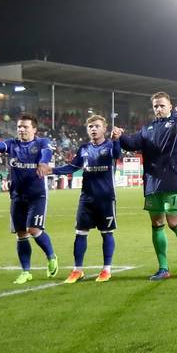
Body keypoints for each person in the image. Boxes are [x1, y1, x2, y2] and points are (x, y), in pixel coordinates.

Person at [114, 92, 177, 281]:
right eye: (156, 106)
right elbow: (131, 143)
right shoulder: (147, 129)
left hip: (172, 180)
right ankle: (163, 268)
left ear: (170, 106)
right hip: (152, 182)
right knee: (157, 223)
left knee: (173, 222)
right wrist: (120, 136)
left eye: (162, 105)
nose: (159, 109)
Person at [0, 116, 58, 284]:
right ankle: (26, 272)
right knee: (21, 234)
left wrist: (43, 163)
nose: (21, 129)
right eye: (19, 127)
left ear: (34, 129)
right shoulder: (12, 144)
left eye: (25, 127)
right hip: (17, 195)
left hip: (37, 195)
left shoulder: (42, 143)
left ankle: (51, 256)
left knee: (33, 229)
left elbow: (47, 152)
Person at [51, 115, 121, 283]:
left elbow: (117, 154)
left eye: (97, 126)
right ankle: (77, 270)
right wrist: (52, 170)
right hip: (86, 198)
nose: (93, 129)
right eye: (90, 126)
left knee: (106, 233)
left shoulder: (110, 145)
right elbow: (72, 167)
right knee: (80, 233)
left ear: (104, 129)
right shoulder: (84, 148)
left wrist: (117, 140)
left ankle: (106, 270)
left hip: (106, 198)